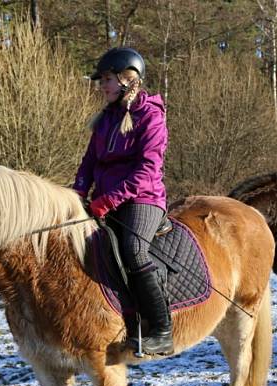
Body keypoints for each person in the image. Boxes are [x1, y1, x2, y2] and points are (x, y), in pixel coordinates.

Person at [72, 47, 173, 355]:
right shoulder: (105, 118)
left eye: (107, 80)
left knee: (133, 248)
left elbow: (147, 170)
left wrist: (109, 200)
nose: (102, 86)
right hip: (105, 199)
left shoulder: (151, 116)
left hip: (143, 198)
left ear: (128, 80)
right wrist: (77, 192)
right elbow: (90, 161)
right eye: (101, 80)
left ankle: (161, 328)